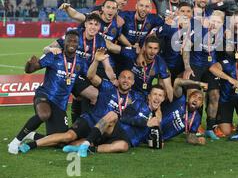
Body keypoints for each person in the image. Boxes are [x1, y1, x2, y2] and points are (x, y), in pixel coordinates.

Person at [17, 50, 145, 154]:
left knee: (66, 145)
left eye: (129, 79)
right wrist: (96, 60)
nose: (126, 80)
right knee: (67, 137)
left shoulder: (135, 98)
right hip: (90, 120)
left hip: (105, 129)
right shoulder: (108, 87)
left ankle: (36, 136)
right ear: (118, 79)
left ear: (133, 82)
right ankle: (31, 145)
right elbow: (91, 77)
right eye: (123, 77)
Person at [8, 30, 88, 154]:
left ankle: (32, 136)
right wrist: (29, 63)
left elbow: (89, 76)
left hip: (60, 104)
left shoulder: (81, 62)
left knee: (61, 142)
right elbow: (30, 70)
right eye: (69, 40)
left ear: (78, 44)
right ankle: (16, 141)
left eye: (75, 41)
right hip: (45, 95)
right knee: (44, 114)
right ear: (64, 42)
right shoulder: (54, 56)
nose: (72, 43)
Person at [63, 85, 164, 157]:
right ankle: (87, 143)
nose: (157, 98)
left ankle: (88, 148)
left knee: (123, 146)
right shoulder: (139, 104)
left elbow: (155, 141)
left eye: (160, 95)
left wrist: (158, 139)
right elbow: (124, 117)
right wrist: (145, 123)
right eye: (155, 94)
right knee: (112, 115)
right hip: (117, 129)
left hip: (128, 140)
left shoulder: (157, 119)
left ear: (163, 99)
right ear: (149, 96)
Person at [182, 10, 225, 139]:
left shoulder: (223, 33)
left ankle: (211, 127)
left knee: (214, 95)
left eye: (218, 22)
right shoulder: (200, 30)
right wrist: (187, 67)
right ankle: (193, 124)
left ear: (222, 24)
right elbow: (186, 48)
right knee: (194, 95)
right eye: (213, 21)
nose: (215, 24)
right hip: (195, 66)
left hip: (210, 67)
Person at [107, 36, 173, 100]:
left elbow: (168, 88)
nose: (152, 51)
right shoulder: (133, 53)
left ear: (158, 50)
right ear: (144, 47)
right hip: (126, 89)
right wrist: (97, 35)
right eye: (150, 47)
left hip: (142, 96)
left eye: (155, 48)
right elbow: (111, 47)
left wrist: (167, 105)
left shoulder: (160, 63)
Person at [160, 78, 207, 145]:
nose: (196, 100)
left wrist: (198, 140)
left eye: (199, 99)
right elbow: (177, 81)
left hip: (160, 138)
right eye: (194, 96)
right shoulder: (180, 100)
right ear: (189, 98)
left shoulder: (197, 118)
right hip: (151, 126)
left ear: (201, 104)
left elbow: (190, 138)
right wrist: (199, 83)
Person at [156, 2, 193, 82]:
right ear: (177, 13)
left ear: (192, 13)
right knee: (164, 88)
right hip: (166, 64)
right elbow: (156, 35)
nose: (185, 14)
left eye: (188, 11)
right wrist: (165, 24)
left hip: (182, 67)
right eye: (182, 11)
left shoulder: (195, 27)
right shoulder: (170, 25)